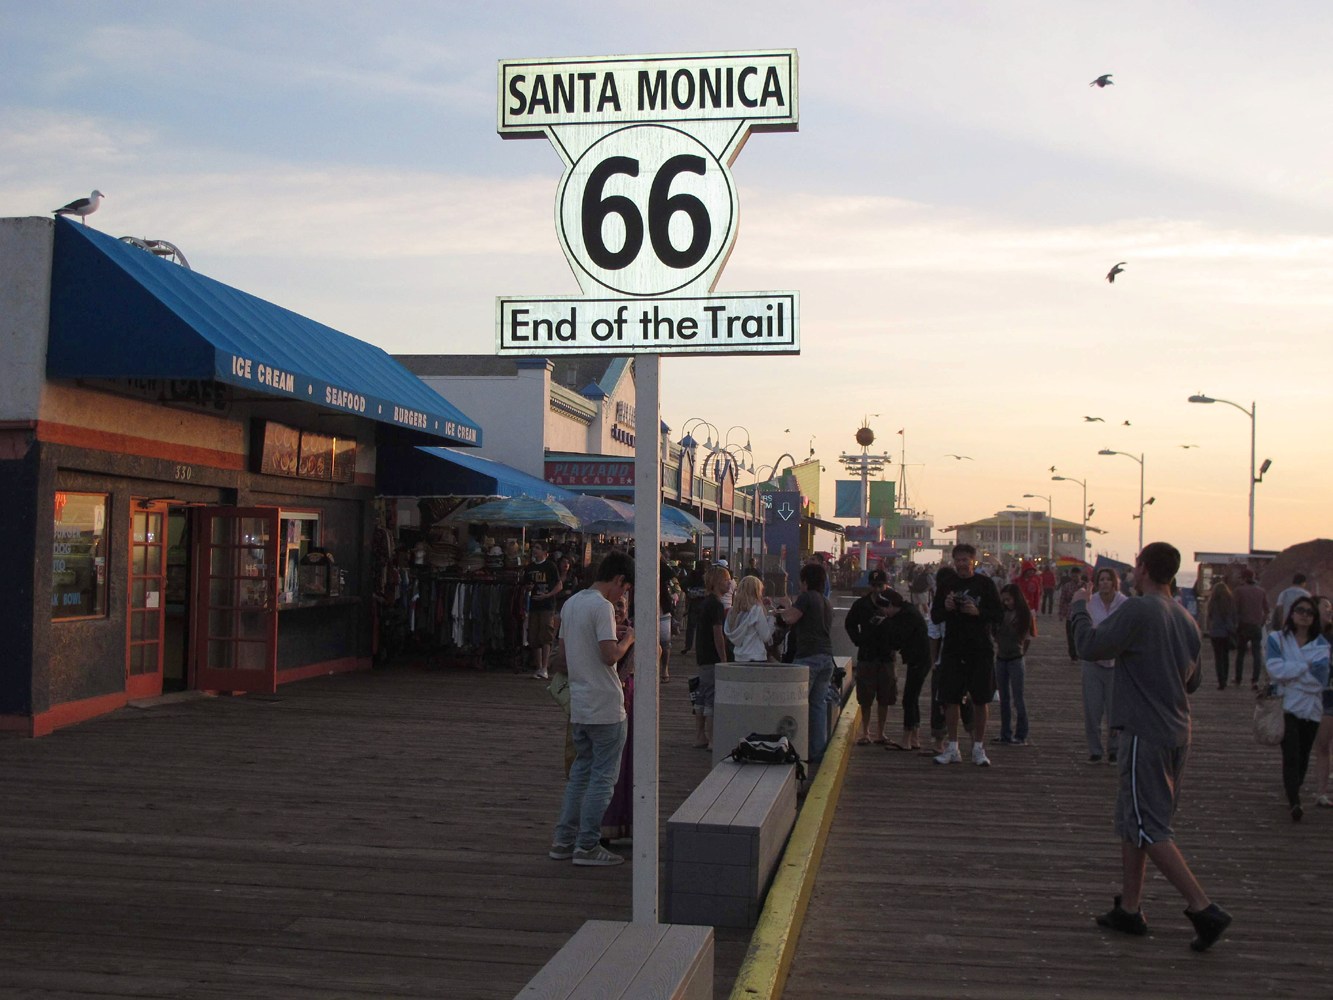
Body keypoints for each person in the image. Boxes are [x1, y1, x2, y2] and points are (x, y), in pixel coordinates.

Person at [1071, 541, 1231, 952]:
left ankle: (1203, 908)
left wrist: (1078, 607)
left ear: (1141, 570)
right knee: (1133, 819)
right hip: (1178, 730)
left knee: (1149, 826)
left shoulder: (1141, 609)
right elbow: (1191, 681)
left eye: (1136, 564)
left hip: (1146, 731)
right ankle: (1130, 908)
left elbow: (1091, 647)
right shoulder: (1184, 616)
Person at [548, 550, 635, 867]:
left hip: (580, 705)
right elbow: (610, 655)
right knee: (602, 779)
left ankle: (563, 841)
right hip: (605, 704)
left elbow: (562, 658)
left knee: (579, 776)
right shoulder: (602, 607)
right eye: (624, 589)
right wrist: (629, 640)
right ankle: (587, 846)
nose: (623, 594)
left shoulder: (571, 603)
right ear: (619, 580)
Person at [930, 544, 1003, 767]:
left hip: (980, 649)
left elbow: (999, 614)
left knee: (981, 700)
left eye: (966, 560)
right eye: (958, 560)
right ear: (953, 561)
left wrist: (978, 612)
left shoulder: (985, 584)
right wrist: (947, 606)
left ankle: (978, 748)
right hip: (953, 648)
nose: (962, 563)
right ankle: (953, 747)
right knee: (949, 699)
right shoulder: (947, 585)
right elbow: (935, 616)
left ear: (974, 561)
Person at [1263, 596, 1330, 821]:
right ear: (1291, 613)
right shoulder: (1278, 639)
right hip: (1286, 707)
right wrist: (1304, 667)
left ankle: (1295, 788)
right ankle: (1294, 802)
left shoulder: (1321, 644)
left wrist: (1291, 675)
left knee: (1303, 756)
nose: (1304, 615)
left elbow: (1319, 680)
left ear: (1314, 618)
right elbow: (1274, 670)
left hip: (1310, 709)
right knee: (1290, 754)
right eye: (1300, 610)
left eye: (1309, 612)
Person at [777, 561, 836, 762]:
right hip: (826, 657)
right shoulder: (825, 601)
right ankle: (817, 751)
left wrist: (783, 609)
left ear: (805, 581)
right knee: (818, 706)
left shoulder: (806, 597)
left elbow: (790, 619)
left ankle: (796, 748)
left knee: (797, 704)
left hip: (808, 657)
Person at [843, 569, 897, 745]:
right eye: (874, 586)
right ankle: (865, 732)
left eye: (880, 585)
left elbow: (903, 624)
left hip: (886, 656)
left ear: (886, 585)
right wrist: (858, 640)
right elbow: (850, 624)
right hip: (867, 655)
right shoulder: (861, 604)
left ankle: (881, 732)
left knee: (885, 696)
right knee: (865, 697)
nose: (877, 590)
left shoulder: (892, 603)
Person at [1081, 568, 1128, 764]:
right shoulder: (1091, 603)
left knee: (1115, 710)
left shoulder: (1124, 603)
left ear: (1115, 582)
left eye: (1109, 579)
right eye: (1102, 579)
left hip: (1116, 663)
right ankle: (1095, 749)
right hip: (1093, 661)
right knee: (1092, 709)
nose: (1105, 583)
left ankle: (1114, 749)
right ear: (1097, 582)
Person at [879, 587, 932, 752]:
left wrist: (885, 624)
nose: (884, 612)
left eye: (885, 609)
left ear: (891, 605)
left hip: (919, 659)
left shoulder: (906, 617)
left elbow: (897, 640)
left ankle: (906, 740)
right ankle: (914, 738)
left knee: (908, 699)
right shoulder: (908, 612)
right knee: (913, 698)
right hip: (920, 659)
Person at [691, 564, 731, 751]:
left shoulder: (705, 602)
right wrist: (723, 658)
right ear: (716, 583)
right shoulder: (716, 605)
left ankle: (700, 735)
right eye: (726, 579)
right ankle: (712, 739)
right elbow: (717, 633)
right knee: (711, 698)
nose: (729, 583)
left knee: (701, 696)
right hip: (712, 657)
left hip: (702, 655)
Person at [993, 583, 1032, 746]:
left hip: (1016, 658)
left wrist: (1022, 651)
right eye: (1004, 600)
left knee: (1018, 698)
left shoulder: (1024, 614)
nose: (1006, 603)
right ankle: (1005, 734)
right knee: (1004, 699)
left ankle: (1021, 734)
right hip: (1001, 658)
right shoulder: (1000, 613)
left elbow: (1028, 637)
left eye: (1008, 600)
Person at [524, 542, 563, 680]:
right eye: (534, 548)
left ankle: (544, 667)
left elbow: (559, 585)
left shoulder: (550, 566)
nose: (534, 550)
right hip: (534, 605)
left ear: (545, 552)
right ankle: (538, 666)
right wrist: (528, 588)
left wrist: (548, 595)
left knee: (546, 634)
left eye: (538, 548)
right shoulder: (530, 568)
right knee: (534, 636)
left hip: (547, 605)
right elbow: (526, 585)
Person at [724, 574, 775, 663]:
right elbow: (765, 636)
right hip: (756, 655)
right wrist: (771, 618)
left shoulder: (733, 611)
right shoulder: (756, 610)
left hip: (738, 656)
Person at [1232, 570, 1269, 689]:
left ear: (1244, 578)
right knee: (1256, 653)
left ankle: (1238, 679)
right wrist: (1261, 622)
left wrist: (1235, 624)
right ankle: (1255, 680)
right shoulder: (1261, 591)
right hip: (1256, 626)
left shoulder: (1239, 591)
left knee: (1241, 654)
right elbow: (1267, 610)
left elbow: (1235, 609)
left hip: (1243, 625)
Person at [1203, 579, 1237, 690]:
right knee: (1225, 656)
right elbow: (1232, 617)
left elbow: (1209, 617)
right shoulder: (1229, 601)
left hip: (1215, 634)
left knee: (1218, 658)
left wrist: (1209, 629)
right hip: (1226, 633)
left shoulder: (1212, 602)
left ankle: (1220, 681)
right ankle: (1225, 678)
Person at [1058, 570, 1082, 662]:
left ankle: (1079, 652)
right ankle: (1073, 654)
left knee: (1080, 635)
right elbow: (1062, 599)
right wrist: (1061, 613)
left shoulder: (1084, 585)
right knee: (1070, 636)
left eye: (1077, 576)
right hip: (1069, 614)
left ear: (1080, 575)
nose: (1075, 578)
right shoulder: (1067, 586)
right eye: (1073, 576)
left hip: (1081, 615)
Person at [1017, 561, 1042, 635]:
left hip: (1030, 608)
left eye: (1033, 570)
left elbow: (1037, 596)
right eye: (1029, 570)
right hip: (1019, 607)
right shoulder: (1017, 581)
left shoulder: (1035, 582)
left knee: (1029, 632)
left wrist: (1036, 608)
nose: (1031, 572)